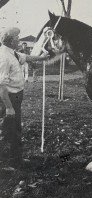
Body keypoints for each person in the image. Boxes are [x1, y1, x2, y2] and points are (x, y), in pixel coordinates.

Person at [0, 27, 49, 168]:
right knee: (9, 129)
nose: (19, 40)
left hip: (15, 97)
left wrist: (42, 58)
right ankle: (7, 163)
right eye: (17, 38)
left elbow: (26, 57)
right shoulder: (4, 57)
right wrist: (9, 107)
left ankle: (14, 159)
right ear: (10, 40)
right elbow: (1, 86)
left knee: (14, 128)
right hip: (8, 98)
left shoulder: (12, 53)